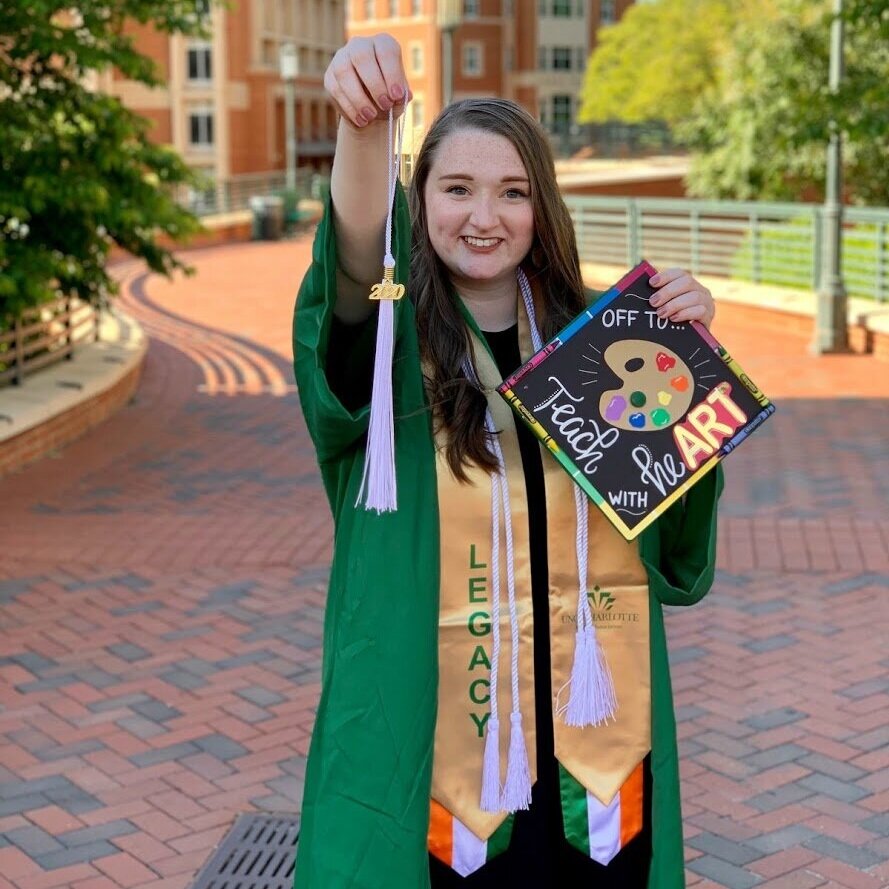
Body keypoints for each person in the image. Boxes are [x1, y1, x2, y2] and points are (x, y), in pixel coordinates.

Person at [293, 34, 721, 889]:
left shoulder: (602, 348)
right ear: (420, 201)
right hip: (436, 753)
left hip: (588, 761)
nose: (483, 217)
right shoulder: (382, 351)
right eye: (456, 189)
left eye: (512, 193)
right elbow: (349, 265)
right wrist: (361, 129)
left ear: (542, 208)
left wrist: (686, 368)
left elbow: (673, 540)